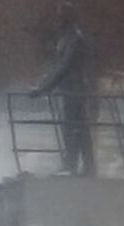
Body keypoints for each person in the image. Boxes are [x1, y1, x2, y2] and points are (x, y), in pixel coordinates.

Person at [31, 1, 96, 177]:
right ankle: (77, 165)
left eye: (60, 15)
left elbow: (64, 66)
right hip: (68, 90)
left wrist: (43, 87)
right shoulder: (65, 37)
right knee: (74, 127)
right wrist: (44, 83)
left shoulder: (74, 38)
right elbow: (58, 65)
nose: (57, 18)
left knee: (75, 128)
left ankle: (77, 165)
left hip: (75, 90)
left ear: (68, 17)